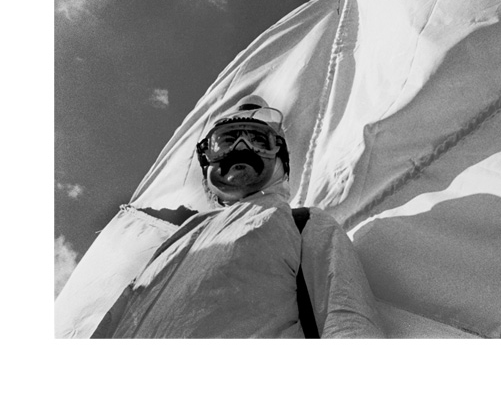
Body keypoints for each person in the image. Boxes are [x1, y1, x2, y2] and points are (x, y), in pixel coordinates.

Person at [92, 96, 385, 338]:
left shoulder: (301, 221)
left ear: (278, 156)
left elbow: (346, 316)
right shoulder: (173, 243)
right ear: (207, 157)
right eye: (227, 140)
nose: (241, 148)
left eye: (259, 140)